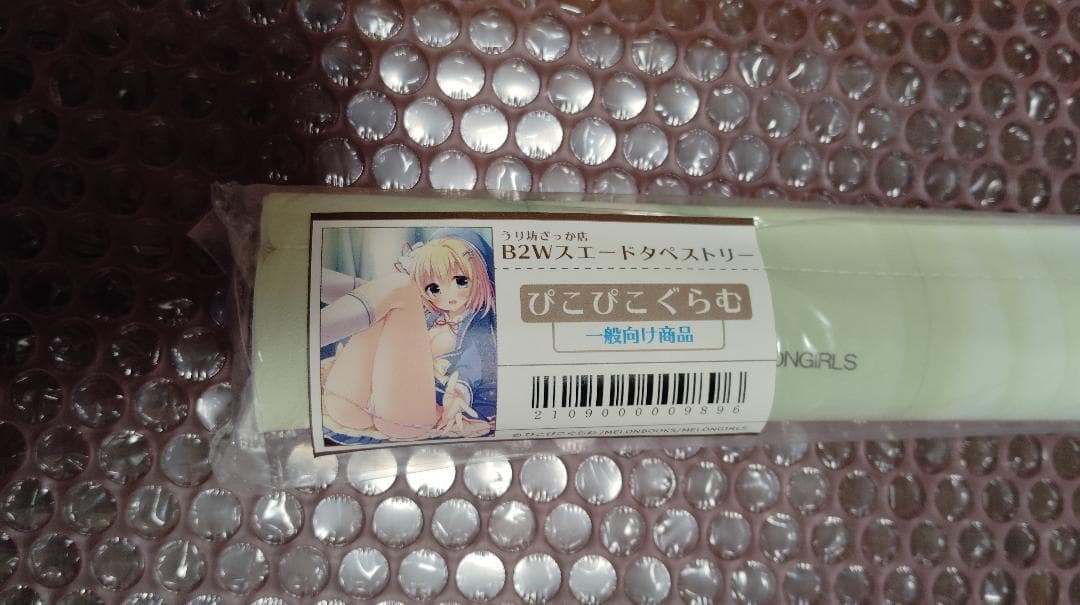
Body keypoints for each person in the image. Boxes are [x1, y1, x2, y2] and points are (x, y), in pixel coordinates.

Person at [318, 228, 496, 443]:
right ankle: (311, 296)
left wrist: (457, 395)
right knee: (386, 299)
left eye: (461, 281)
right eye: (434, 288)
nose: (448, 295)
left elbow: (473, 367)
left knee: (400, 287)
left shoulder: (478, 328)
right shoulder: (429, 316)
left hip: (412, 416)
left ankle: (315, 328)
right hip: (355, 403)